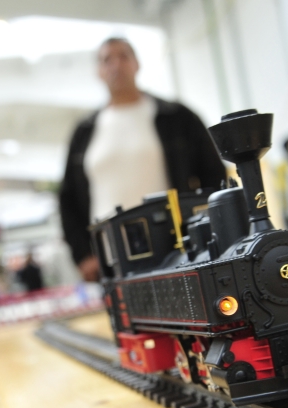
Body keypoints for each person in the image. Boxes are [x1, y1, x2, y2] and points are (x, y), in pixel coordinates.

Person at [59, 37, 226, 281]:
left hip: (176, 246)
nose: (116, 65)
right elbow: (68, 198)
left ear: (136, 63)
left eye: (124, 56)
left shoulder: (177, 117)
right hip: (110, 255)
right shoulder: (84, 132)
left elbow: (213, 176)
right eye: (107, 60)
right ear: (99, 71)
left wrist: (211, 231)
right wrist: (82, 254)